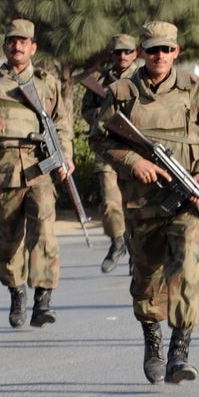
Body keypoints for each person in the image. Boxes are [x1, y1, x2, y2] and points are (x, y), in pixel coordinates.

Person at [89, 21, 199, 385]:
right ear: (142, 52)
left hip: (185, 199)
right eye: (152, 50)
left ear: (176, 52)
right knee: (147, 279)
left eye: (166, 49)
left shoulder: (193, 88)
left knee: (188, 268)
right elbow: (99, 140)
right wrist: (135, 162)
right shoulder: (121, 91)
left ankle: (180, 349)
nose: (160, 56)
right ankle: (153, 339)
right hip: (141, 202)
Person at [0, 18, 73, 329]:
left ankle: (43, 299)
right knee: (9, 239)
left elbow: (62, 124)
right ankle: (16, 292)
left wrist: (67, 157)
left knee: (45, 233)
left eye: (23, 41)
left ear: (33, 47)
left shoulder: (47, 82)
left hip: (39, 168)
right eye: (11, 41)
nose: (16, 45)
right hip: (4, 170)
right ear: (5, 46)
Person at [81, 33, 139, 273]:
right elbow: (86, 109)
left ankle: (137, 251)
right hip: (107, 147)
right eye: (118, 52)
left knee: (136, 204)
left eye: (127, 52)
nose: (123, 56)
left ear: (136, 53)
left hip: (137, 149)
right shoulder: (99, 80)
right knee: (110, 202)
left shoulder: (142, 78)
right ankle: (117, 242)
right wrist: (105, 117)